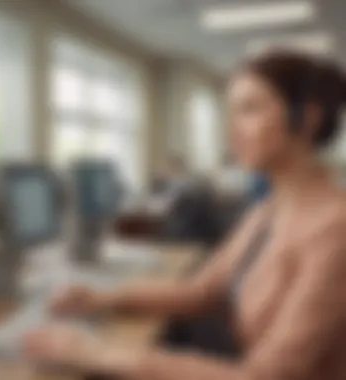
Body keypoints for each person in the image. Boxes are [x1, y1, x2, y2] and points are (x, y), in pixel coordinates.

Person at [24, 51, 346, 379]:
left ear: (306, 119)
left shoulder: (334, 229)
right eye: (232, 112)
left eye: (249, 109)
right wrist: (102, 299)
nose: (232, 133)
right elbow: (203, 292)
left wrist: (94, 352)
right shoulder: (270, 209)